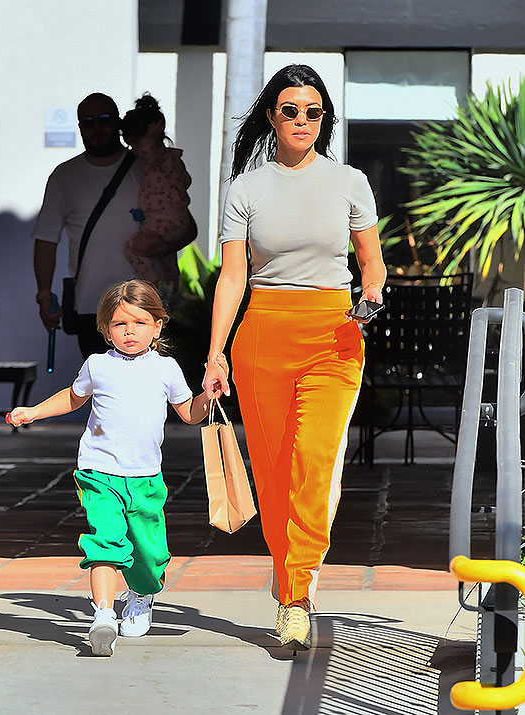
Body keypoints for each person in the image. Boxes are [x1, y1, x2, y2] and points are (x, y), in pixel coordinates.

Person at [203, 64, 386, 652]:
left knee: (313, 462)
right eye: (290, 110)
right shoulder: (245, 189)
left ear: (324, 119)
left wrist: (371, 297)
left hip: (335, 337)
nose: (302, 120)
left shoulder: (350, 182)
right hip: (262, 337)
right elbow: (232, 278)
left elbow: (371, 262)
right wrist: (215, 354)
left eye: (313, 111)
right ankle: (291, 592)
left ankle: (298, 589)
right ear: (271, 117)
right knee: (275, 474)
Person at [7, 279, 215, 656]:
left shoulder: (166, 369)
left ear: (157, 327)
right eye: (120, 324)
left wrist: (208, 394)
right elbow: (73, 398)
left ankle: (141, 593)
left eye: (139, 322)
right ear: (106, 329)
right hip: (98, 472)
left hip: (145, 479)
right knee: (105, 542)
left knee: (149, 557)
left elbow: (189, 413)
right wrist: (34, 411)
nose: (129, 331)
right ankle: (103, 615)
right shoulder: (98, 365)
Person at [32, 92, 143, 358]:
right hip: (90, 307)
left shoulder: (146, 168)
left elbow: (176, 225)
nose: (97, 128)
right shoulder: (64, 176)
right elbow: (46, 239)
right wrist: (44, 294)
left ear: (118, 122)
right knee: (100, 381)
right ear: (80, 127)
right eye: (88, 122)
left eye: (104, 119)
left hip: (143, 303)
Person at [121, 94, 197, 295]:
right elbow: (186, 181)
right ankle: (173, 285)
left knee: (132, 248)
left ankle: (152, 282)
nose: (134, 150)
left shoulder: (157, 159)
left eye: (136, 144)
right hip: (175, 223)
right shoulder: (171, 159)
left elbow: (184, 180)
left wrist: (154, 135)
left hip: (161, 222)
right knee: (167, 255)